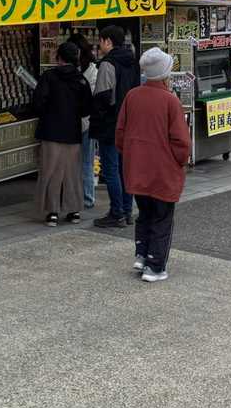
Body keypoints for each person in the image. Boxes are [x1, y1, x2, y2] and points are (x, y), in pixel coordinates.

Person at [115, 47, 191, 283]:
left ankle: (141, 254)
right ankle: (155, 266)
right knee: (162, 217)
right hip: (163, 170)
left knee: (145, 213)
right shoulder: (170, 101)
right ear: (165, 73)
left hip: (137, 167)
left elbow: (120, 133)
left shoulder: (132, 96)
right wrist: (181, 161)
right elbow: (181, 141)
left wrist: (130, 155)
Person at [32, 41, 91, 226]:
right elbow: (86, 108)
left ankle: (52, 212)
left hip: (50, 131)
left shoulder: (49, 77)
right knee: (72, 172)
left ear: (59, 57)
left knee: (51, 171)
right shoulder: (81, 80)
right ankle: (74, 211)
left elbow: (38, 103)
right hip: (72, 132)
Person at [90, 24, 141, 229]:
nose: (99, 45)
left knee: (111, 170)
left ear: (108, 41)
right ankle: (127, 212)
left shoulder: (107, 64)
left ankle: (116, 213)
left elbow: (103, 96)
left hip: (111, 124)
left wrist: (97, 117)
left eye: (100, 41)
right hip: (129, 122)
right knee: (124, 169)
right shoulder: (133, 61)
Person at [70, 31, 98, 209]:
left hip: (77, 121)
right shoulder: (94, 70)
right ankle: (88, 197)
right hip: (87, 121)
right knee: (87, 161)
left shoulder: (78, 72)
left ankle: (81, 196)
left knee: (75, 161)